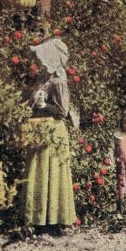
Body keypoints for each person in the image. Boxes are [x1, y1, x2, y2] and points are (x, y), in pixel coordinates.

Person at [23, 37, 78, 230]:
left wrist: (44, 105)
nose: (39, 62)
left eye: (42, 58)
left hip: (54, 132)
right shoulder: (44, 80)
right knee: (39, 171)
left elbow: (62, 112)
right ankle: (38, 218)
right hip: (41, 131)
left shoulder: (58, 81)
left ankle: (54, 220)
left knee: (53, 173)